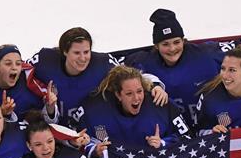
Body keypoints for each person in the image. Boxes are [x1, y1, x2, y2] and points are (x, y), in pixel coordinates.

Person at [126, 9, 241, 126]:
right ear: (156, 46)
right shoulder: (143, 61)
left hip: (211, 126)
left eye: (177, 42)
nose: (172, 49)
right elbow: (124, 72)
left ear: (184, 40)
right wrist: (152, 85)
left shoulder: (207, 53)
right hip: (172, 132)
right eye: (165, 44)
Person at [26, 27, 166, 128]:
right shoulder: (44, 60)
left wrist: (155, 86)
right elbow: (20, 70)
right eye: (76, 53)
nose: (83, 58)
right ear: (64, 52)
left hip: (90, 132)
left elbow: (131, 75)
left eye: (86, 52)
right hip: (50, 133)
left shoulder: (103, 64)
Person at [74, 65, 190, 153]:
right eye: (129, 94)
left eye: (139, 91)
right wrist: (96, 150)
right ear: (118, 95)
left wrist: (163, 143)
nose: (136, 98)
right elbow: (85, 142)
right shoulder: (98, 114)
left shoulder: (160, 103)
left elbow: (187, 137)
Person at [0, 44, 59, 121]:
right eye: (8, 63)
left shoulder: (29, 90)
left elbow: (48, 125)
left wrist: (50, 108)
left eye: (18, 63)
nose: (14, 67)